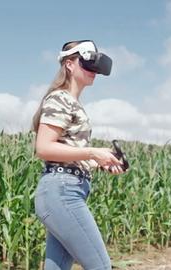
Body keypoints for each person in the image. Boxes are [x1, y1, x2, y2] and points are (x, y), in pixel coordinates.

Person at [32, 40, 124, 270]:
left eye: (95, 67)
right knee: (100, 266)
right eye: (87, 64)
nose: (93, 71)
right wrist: (92, 151)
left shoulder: (72, 102)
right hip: (62, 191)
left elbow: (67, 151)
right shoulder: (60, 98)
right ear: (69, 64)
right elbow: (43, 147)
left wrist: (100, 161)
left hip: (67, 188)